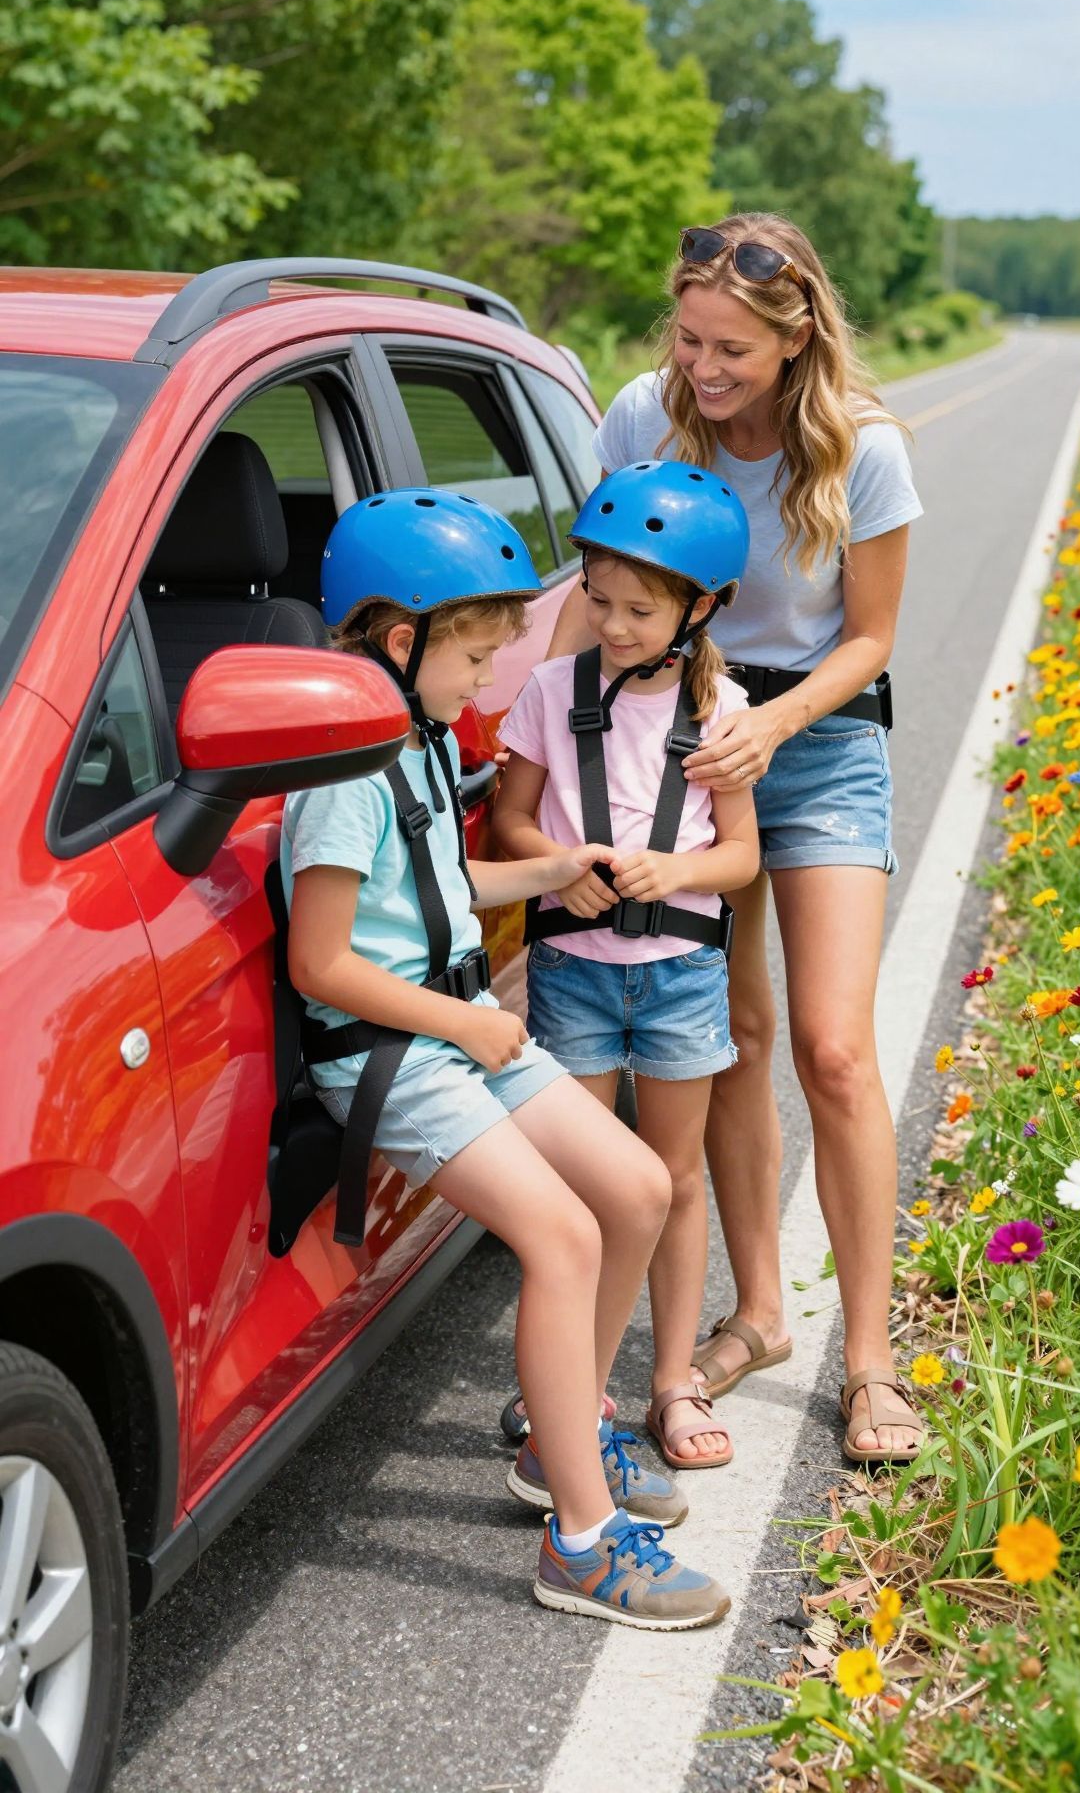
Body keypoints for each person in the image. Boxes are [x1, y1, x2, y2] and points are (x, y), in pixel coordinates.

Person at [282, 487, 730, 1628]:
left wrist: (548, 868)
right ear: (402, 640)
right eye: (476, 656)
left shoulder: (415, 737)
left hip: (459, 1025)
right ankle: (580, 1538)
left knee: (633, 1186)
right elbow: (322, 964)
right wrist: (468, 1024)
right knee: (563, 1229)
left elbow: (441, 891)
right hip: (402, 1050)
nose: (489, 680)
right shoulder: (341, 775)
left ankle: (562, 1435)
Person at [545, 215, 926, 1463]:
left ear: (796, 333)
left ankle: (867, 1361)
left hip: (812, 737)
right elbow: (593, 590)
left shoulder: (863, 449)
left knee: (829, 1047)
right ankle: (759, 1313)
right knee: (731, 1032)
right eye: (688, 339)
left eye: (731, 352)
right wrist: (533, 739)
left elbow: (869, 638)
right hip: (666, 731)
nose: (701, 371)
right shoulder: (637, 417)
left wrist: (767, 725)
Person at [494, 462, 761, 1470]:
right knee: (583, 1178)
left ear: (700, 607)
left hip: (684, 972)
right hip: (573, 965)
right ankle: (574, 1382)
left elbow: (741, 857)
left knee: (673, 1177)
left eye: (639, 608)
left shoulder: (725, 708)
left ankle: (671, 1379)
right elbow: (514, 815)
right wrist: (559, 866)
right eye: (597, 599)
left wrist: (675, 866)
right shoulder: (550, 690)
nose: (611, 623)